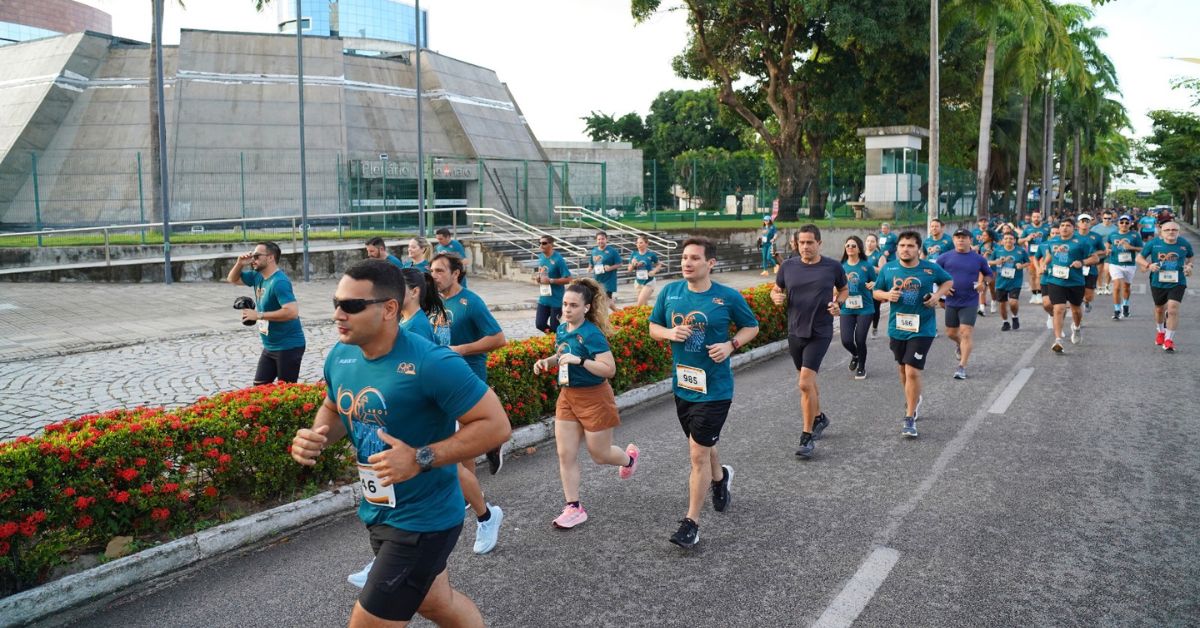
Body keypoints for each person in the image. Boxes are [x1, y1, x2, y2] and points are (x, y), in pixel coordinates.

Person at [290, 259, 510, 628]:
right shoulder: (341, 355)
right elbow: (334, 405)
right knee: (438, 604)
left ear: (390, 309)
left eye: (352, 306)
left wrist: (422, 457)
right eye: (336, 303)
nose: (339, 315)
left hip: (425, 519)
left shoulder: (431, 362)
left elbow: (496, 425)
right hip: (380, 512)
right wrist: (318, 437)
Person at [649, 237, 759, 548]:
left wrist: (730, 345)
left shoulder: (727, 296)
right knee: (703, 445)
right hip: (683, 386)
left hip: (716, 390)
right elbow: (652, 327)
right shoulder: (670, 293)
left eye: (695, 258)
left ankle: (691, 523)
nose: (687, 263)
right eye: (685, 257)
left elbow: (751, 326)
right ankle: (720, 477)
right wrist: (670, 332)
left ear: (710, 263)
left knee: (696, 453)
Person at [533, 278, 639, 529]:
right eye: (564, 304)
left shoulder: (592, 335)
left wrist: (580, 362)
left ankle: (629, 460)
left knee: (600, 455)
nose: (566, 310)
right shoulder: (562, 328)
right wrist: (547, 362)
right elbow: (562, 355)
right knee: (564, 454)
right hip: (568, 397)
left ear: (587, 308)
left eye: (573, 305)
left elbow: (609, 369)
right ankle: (574, 507)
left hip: (594, 398)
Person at [429, 253, 510, 553]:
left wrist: (460, 350)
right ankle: (471, 494)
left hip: (468, 378)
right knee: (457, 442)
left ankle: (489, 448)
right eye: (431, 270)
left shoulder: (471, 302)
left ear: (456, 274)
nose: (434, 275)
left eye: (439, 271)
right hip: (439, 379)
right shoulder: (432, 304)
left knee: (464, 439)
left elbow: (499, 338)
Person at [771, 225, 847, 459]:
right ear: (796, 244)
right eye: (801, 243)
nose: (805, 247)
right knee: (808, 381)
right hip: (795, 330)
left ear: (819, 243)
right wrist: (775, 296)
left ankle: (807, 436)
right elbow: (776, 289)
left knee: (804, 383)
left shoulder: (832, 266)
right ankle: (820, 417)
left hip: (820, 330)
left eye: (810, 242)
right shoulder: (788, 267)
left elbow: (843, 289)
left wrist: (838, 304)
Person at [873, 232, 954, 438]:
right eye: (902, 245)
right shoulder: (889, 268)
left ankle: (909, 417)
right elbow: (876, 291)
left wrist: (936, 296)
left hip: (923, 328)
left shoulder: (930, 268)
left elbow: (948, 282)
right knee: (902, 370)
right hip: (897, 327)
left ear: (918, 248)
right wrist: (887, 295)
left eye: (910, 245)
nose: (905, 249)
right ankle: (913, 399)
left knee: (912, 372)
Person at [225, 241, 306, 385]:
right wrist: (239, 264)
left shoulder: (279, 282)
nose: (253, 260)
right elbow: (232, 279)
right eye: (252, 256)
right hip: (270, 346)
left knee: (285, 392)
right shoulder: (258, 276)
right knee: (260, 387)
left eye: (256, 256)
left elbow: (292, 312)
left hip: (289, 346)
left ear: (270, 258)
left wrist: (259, 315)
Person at [935, 229, 993, 380]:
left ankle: (962, 367)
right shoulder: (944, 258)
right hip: (952, 301)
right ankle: (960, 345)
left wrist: (983, 284)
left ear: (970, 240)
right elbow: (933, 275)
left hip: (970, 300)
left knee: (966, 332)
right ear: (954, 240)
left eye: (963, 238)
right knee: (951, 333)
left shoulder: (978, 259)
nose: (960, 240)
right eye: (957, 238)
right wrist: (943, 290)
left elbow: (989, 275)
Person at [1040, 219, 1101, 354]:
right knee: (1059, 308)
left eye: (1068, 226)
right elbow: (1049, 255)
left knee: (1076, 311)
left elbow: (1096, 258)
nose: (1064, 228)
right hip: (1056, 280)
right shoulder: (1052, 241)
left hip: (1075, 282)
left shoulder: (1082, 242)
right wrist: (1045, 263)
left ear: (1073, 228)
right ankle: (1058, 340)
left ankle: (1077, 327)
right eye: (1062, 225)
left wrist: (1082, 262)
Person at [1137, 222, 1194, 351]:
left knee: (1173, 309)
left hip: (1178, 281)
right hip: (1158, 281)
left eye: (1174, 229)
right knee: (1159, 309)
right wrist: (1148, 265)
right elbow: (1139, 258)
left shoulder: (1184, 244)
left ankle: (1169, 339)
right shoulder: (1153, 243)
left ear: (1178, 232)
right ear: (1161, 231)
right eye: (1167, 230)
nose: (1171, 232)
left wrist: (1190, 266)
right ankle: (1161, 331)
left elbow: (1191, 257)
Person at [838, 235, 875, 381]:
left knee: (860, 339)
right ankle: (855, 354)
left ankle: (861, 367)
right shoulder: (841, 267)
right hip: (846, 308)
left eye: (853, 246)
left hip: (865, 308)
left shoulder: (867, 266)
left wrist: (874, 284)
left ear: (859, 248)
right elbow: (836, 286)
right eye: (848, 246)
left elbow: (877, 281)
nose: (850, 248)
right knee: (846, 340)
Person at [988, 231, 1030, 331]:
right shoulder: (997, 251)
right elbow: (989, 262)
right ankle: (1005, 322)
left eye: (1011, 239)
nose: (1008, 241)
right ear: (1002, 241)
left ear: (1014, 240)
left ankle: (1015, 317)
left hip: (1015, 281)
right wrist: (996, 262)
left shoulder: (1021, 251)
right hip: (1001, 281)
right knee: (1002, 304)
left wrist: (1022, 266)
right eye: (1006, 239)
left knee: (1013, 302)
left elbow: (1028, 262)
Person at [1106, 214, 1143, 320]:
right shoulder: (1112, 234)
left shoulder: (1135, 235)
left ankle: (1125, 305)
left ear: (1130, 224)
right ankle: (1117, 310)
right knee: (1117, 286)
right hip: (1115, 264)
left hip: (1129, 265)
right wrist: (1108, 250)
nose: (1124, 224)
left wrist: (1130, 247)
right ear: (1118, 223)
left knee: (1126, 287)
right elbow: (1108, 244)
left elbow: (1141, 249)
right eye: (1121, 222)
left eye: (1127, 222)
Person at [534, 235, 573, 334]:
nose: (541, 245)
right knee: (540, 324)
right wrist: (539, 278)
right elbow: (542, 272)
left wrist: (551, 281)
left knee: (555, 327)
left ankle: (556, 341)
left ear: (551, 245)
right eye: (540, 243)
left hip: (556, 300)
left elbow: (568, 279)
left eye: (544, 243)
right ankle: (555, 339)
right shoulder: (541, 257)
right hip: (544, 297)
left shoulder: (558, 259)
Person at [398, 267, 444, 343]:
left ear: (414, 292)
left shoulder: (416, 328)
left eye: (398, 288)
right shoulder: (408, 319)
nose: (391, 293)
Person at [1076, 214, 1106, 313]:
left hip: (1090, 268)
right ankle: (1077, 308)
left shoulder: (1096, 237)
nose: (1084, 223)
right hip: (1075, 267)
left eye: (1087, 221)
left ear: (1090, 223)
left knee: (1089, 295)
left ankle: (1086, 302)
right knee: (1076, 292)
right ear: (1078, 224)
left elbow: (1103, 251)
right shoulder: (1072, 235)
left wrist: (1094, 253)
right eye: (1082, 221)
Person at [1019, 211, 1050, 304]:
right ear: (1031, 218)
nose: (1036, 218)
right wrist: (1026, 238)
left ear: (1041, 217)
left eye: (1038, 217)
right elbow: (1019, 241)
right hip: (1031, 254)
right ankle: (1034, 294)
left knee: (1039, 274)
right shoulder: (1027, 228)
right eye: (1034, 217)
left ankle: (1040, 294)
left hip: (1042, 255)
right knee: (1032, 275)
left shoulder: (1046, 228)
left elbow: (1053, 238)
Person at [628, 235, 665, 307]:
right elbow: (629, 269)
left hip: (649, 282)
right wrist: (633, 264)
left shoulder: (651, 255)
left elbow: (659, 264)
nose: (638, 245)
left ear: (646, 244)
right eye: (637, 243)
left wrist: (654, 271)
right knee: (644, 305)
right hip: (638, 282)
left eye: (641, 243)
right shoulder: (634, 254)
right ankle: (650, 317)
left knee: (639, 304)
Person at [590, 231, 623, 302]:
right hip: (597, 280)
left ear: (606, 239)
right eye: (599, 239)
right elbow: (592, 263)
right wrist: (590, 267)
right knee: (604, 301)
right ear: (596, 240)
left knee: (604, 301)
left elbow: (620, 263)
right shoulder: (594, 251)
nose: (600, 241)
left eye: (602, 239)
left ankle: (610, 312)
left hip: (608, 281)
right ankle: (617, 311)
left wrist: (610, 268)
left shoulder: (612, 251)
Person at [865, 233, 887, 338]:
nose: (869, 243)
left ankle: (874, 327)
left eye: (872, 241)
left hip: (875, 285)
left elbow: (883, 271)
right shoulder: (860, 254)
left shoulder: (879, 255)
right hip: (863, 285)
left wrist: (871, 268)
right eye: (868, 241)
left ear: (876, 243)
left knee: (875, 308)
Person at [1091, 211, 1117, 295]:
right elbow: (1092, 239)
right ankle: (1099, 287)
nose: (1107, 220)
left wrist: (1111, 247)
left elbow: (1117, 239)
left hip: (1110, 252)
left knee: (1107, 270)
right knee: (1099, 271)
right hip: (1099, 252)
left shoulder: (1115, 228)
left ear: (1112, 219)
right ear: (1102, 218)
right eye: (1105, 218)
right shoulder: (1095, 228)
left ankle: (1107, 286)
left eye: (1109, 218)